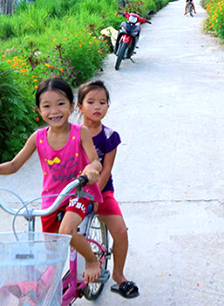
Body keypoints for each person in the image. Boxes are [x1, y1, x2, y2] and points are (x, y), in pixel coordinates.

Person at [0, 77, 104, 283]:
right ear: (39, 111)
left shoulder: (81, 132)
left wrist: (91, 169)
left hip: (78, 193)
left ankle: (91, 260)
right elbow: (15, 165)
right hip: (52, 199)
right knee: (52, 251)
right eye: (47, 106)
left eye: (61, 104)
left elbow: (96, 161)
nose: (54, 111)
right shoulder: (38, 137)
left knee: (67, 231)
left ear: (72, 106)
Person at [77, 80, 140, 299]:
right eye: (91, 102)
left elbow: (106, 169)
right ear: (79, 106)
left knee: (121, 232)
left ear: (108, 107)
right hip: (73, 193)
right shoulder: (70, 134)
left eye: (102, 102)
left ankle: (119, 275)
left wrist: (95, 195)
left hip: (102, 192)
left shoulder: (109, 137)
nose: (97, 107)